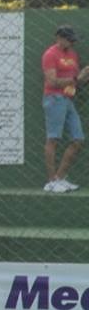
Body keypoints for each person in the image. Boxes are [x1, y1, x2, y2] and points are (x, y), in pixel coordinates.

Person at [42, 24, 89, 193]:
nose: (72, 42)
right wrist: (76, 79)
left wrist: (85, 75)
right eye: (69, 39)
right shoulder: (50, 54)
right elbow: (52, 81)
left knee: (78, 140)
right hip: (54, 98)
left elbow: (76, 81)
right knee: (53, 139)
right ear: (59, 38)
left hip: (68, 99)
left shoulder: (73, 54)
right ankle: (51, 182)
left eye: (73, 40)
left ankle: (59, 179)